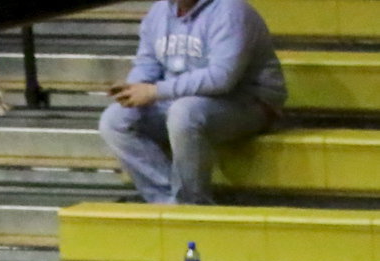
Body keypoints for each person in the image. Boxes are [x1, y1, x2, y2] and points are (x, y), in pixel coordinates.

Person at [99, 0, 287, 205]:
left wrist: (155, 91)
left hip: (248, 102)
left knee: (184, 112)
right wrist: (133, 88)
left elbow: (221, 78)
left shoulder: (231, 11)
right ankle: (169, 202)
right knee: (114, 119)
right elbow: (148, 63)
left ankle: (192, 203)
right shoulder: (159, 11)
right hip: (181, 100)